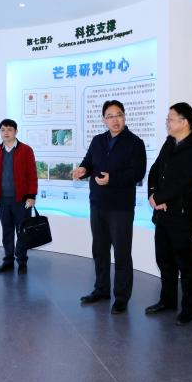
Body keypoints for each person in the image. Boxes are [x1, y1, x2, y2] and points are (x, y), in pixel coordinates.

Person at [72, 100, 146, 314]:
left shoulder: (135, 143)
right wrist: (82, 170)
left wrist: (112, 179)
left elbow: (138, 173)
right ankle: (101, 290)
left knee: (121, 254)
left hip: (120, 207)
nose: (115, 120)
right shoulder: (98, 140)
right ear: (104, 120)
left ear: (124, 117)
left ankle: (121, 297)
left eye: (119, 115)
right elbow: (88, 162)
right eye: (110, 116)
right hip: (98, 204)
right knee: (99, 250)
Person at [145, 102, 192, 325]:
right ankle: (167, 300)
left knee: (187, 264)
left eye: (171, 119)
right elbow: (155, 169)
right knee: (164, 259)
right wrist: (152, 194)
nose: (167, 122)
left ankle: (190, 308)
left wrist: (161, 198)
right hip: (163, 213)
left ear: (185, 122)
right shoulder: (169, 142)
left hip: (183, 215)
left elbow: (187, 182)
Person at [0, 119, 37, 275]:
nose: (6, 133)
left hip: (22, 200)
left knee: (22, 232)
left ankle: (22, 261)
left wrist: (31, 195)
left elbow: (32, 175)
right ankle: (8, 261)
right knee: (7, 232)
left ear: (16, 131)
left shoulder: (26, 150)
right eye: (3, 130)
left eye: (9, 129)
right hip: (3, 200)